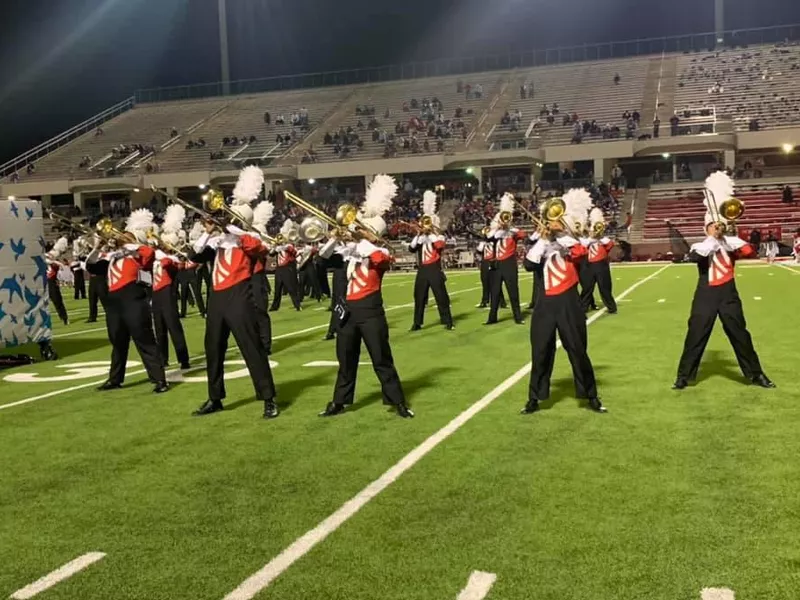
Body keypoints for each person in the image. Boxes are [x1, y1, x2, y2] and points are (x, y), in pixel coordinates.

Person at [318, 174, 413, 418]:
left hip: (370, 310)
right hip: (348, 310)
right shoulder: (352, 249)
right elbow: (323, 257)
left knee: (381, 358)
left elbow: (379, 258)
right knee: (346, 359)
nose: (356, 231)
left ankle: (397, 401)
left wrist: (365, 239)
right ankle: (340, 401)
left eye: (363, 229)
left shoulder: (379, 251)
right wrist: (335, 237)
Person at [190, 167, 278, 418]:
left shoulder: (247, 237)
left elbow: (260, 248)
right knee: (213, 349)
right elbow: (194, 254)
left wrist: (233, 229)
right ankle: (214, 397)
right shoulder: (218, 240)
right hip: (217, 297)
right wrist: (208, 232)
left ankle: (268, 398)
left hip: (240, 295)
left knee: (251, 347)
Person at [673, 172, 774, 390]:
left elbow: (749, 251)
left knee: (740, 335)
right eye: (712, 225)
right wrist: (714, 238)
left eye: (718, 225)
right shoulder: (700, 245)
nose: (717, 228)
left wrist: (727, 236)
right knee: (696, 335)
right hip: (706, 295)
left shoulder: (731, 243)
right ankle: (683, 376)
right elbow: (697, 256)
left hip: (728, 294)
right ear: (706, 228)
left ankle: (756, 375)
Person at [522, 189, 605, 414]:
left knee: (577, 350)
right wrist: (543, 240)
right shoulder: (541, 246)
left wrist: (560, 236)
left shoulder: (571, 242)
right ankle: (534, 398)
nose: (553, 223)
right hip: (545, 305)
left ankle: (591, 396)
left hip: (569, 303)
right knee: (540, 352)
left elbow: (580, 254)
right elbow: (529, 264)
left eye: (558, 220)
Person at [85, 210, 168, 394]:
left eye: (125, 236)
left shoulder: (137, 254)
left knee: (144, 339)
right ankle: (115, 378)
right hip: (113, 301)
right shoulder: (112, 256)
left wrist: (129, 243)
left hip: (133, 298)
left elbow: (149, 254)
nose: (120, 238)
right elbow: (91, 266)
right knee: (118, 341)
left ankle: (159, 379)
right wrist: (98, 246)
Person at [151, 206, 191, 369]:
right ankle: (163, 358)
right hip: (155, 293)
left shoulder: (172, 258)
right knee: (159, 329)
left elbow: (171, 265)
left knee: (173, 327)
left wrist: (164, 254)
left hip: (167, 293)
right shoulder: (157, 255)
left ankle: (183, 358)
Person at [409, 190, 454, 331]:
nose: (425, 225)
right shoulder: (421, 238)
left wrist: (432, 233)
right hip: (422, 270)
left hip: (435, 269)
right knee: (419, 297)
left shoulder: (439, 237)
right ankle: (417, 322)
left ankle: (447, 321)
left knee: (441, 296)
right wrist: (419, 234)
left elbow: (439, 246)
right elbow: (411, 248)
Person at [485, 193, 526, 325]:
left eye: (506, 218)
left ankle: (518, 317)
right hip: (497, 263)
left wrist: (510, 227)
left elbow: (523, 235)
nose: (504, 220)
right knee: (495, 292)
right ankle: (492, 318)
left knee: (513, 291)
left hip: (509, 263)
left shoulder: (512, 232)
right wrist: (498, 226)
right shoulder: (496, 233)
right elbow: (489, 236)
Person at [579, 207, 617, 314]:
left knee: (605, 287)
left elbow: (610, 245)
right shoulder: (585, 240)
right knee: (587, 288)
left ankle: (611, 307)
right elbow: (582, 247)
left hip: (601, 264)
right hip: (588, 265)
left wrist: (599, 237)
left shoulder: (603, 240)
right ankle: (583, 308)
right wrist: (592, 239)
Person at [269, 220, 302, 312]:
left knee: (291, 288)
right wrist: (274, 247)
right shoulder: (278, 247)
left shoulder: (289, 246)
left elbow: (294, 252)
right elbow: (271, 254)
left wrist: (285, 247)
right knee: (277, 289)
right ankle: (275, 306)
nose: (280, 240)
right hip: (279, 269)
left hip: (288, 269)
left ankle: (297, 305)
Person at [45, 238, 69, 326]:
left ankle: (64, 317)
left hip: (51, 281)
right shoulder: (46, 257)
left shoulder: (52, 257)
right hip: (42, 282)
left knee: (57, 300)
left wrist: (56, 262)